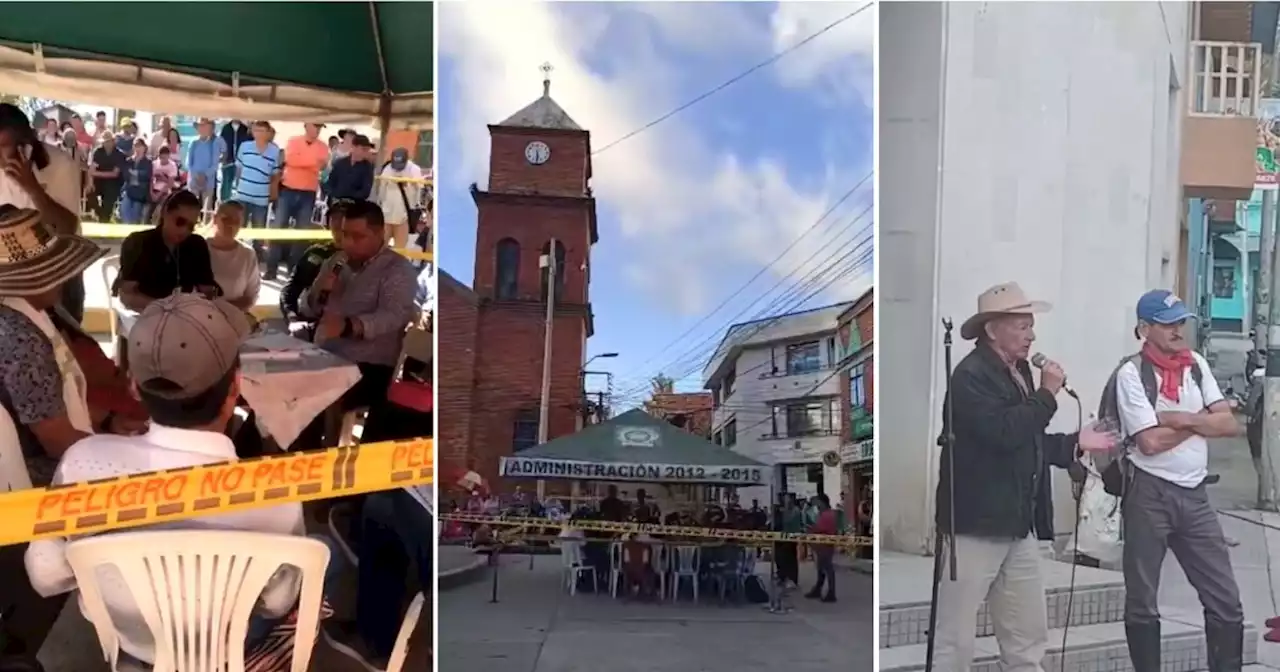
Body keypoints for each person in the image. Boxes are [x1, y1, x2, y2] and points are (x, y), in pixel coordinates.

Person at [23, 293, 343, 665]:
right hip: (224, 650)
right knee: (326, 555)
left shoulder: (83, 463)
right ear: (236, 388)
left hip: (128, 644)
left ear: (133, 386)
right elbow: (276, 602)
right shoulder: (276, 493)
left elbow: (45, 575)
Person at [932, 282, 1118, 672]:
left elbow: (1027, 441)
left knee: (1027, 634)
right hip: (974, 525)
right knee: (954, 636)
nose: (1031, 335)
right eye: (1021, 325)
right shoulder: (971, 376)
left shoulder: (1018, 373)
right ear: (992, 329)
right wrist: (1049, 394)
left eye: (1031, 326)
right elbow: (1004, 432)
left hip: (1018, 523)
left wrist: (1075, 443)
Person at [0, 206, 146, 658]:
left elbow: (56, 401)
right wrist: (125, 454)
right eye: (52, 271)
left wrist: (105, 423)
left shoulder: (32, 318)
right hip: (27, 483)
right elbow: (57, 439)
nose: (62, 280)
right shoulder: (17, 336)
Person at [1115, 290, 1244, 671]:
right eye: (1167, 323)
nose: (1177, 330)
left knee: (1225, 599)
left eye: (1179, 322)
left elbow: (1230, 425)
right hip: (1148, 492)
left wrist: (1179, 418)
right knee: (1142, 599)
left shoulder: (1197, 365)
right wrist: (1202, 418)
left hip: (1195, 494)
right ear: (1144, 328)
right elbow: (1150, 443)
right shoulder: (1131, 374)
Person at [302, 200, 417, 414]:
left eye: (357, 237)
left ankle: (307, 446)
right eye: (345, 234)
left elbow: (394, 316)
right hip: (324, 355)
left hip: (369, 365)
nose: (348, 243)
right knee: (272, 386)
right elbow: (309, 309)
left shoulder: (398, 269)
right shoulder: (337, 261)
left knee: (304, 398)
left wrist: (349, 326)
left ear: (380, 233)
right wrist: (319, 293)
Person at [0, 104, 86, 322]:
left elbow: (67, 228)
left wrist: (33, 188)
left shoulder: (60, 165)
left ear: (26, 145)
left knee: (63, 348)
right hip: (12, 275)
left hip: (58, 275)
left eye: (3, 146)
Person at [115, 190, 220, 312]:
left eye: (191, 226)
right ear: (165, 212)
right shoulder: (138, 242)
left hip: (183, 316)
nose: (184, 231)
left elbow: (207, 290)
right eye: (180, 222)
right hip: (144, 314)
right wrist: (166, 307)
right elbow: (127, 296)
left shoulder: (196, 244)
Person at [268, 123, 329, 281]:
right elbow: (290, 160)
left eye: (320, 127)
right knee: (278, 228)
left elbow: (321, 165)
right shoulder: (293, 141)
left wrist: (302, 160)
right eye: (315, 126)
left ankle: (294, 270)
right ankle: (271, 268)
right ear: (306, 126)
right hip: (288, 189)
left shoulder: (323, 146)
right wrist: (311, 163)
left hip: (308, 192)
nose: (317, 129)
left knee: (302, 233)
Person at [281, 199, 349, 338]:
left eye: (344, 218)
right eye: (334, 218)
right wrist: (292, 318)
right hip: (308, 322)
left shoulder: (365, 260)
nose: (338, 223)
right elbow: (291, 289)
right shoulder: (316, 252)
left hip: (343, 329)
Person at [233, 121, 281, 259]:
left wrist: (272, 194)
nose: (258, 133)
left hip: (261, 197)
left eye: (261, 131)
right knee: (239, 227)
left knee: (258, 229)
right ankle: (236, 255)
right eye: (255, 130)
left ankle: (256, 257)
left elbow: (275, 174)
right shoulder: (244, 146)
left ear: (268, 133)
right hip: (243, 194)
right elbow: (239, 168)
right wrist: (238, 186)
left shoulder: (274, 151)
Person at [206, 201, 260, 311]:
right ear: (215, 219)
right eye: (226, 219)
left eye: (236, 221)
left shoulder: (248, 254)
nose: (231, 225)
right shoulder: (197, 248)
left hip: (234, 321)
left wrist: (225, 310)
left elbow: (251, 296)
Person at [376, 148, 424, 248]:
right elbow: (382, 191)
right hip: (387, 214)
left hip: (404, 215)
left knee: (400, 249)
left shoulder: (414, 169)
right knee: (380, 247)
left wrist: (409, 185)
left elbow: (419, 190)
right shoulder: (387, 169)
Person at [186, 118, 225, 219]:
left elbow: (215, 164)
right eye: (200, 126)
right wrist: (196, 175)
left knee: (207, 210)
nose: (202, 129)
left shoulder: (215, 143)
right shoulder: (193, 142)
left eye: (204, 126)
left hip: (208, 182)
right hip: (194, 181)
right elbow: (188, 163)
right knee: (191, 208)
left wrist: (205, 175)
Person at [805, 494, 839, 602]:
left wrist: (812, 529)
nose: (816, 505)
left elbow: (822, 529)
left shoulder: (828, 515)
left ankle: (831, 592)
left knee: (827, 568)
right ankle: (818, 588)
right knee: (821, 568)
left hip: (825, 545)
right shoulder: (822, 514)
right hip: (820, 545)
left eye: (817, 502)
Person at [325, 134, 375, 203]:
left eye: (367, 150)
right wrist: (333, 194)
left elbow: (365, 191)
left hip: (355, 206)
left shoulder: (367, 167)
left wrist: (349, 197)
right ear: (353, 147)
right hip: (336, 204)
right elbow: (330, 183)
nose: (365, 152)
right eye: (363, 149)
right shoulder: (340, 163)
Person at [88, 133, 124, 222]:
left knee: (108, 203)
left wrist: (96, 173)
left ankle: (104, 218)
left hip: (113, 183)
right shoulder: (98, 152)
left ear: (113, 142)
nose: (107, 144)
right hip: (99, 182)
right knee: (89, 192)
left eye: (109, 142)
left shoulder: (119, 154)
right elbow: (91, 170)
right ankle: (99, 213)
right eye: (105, 142)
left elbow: (114, 174)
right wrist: (90, 183)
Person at [119, 138, 153, 225]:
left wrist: (134, 173)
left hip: (140, 193)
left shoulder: (148, 162)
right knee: (124, 210)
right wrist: (138, 174)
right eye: (135, 146)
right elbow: (126, 175)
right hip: (129, 190)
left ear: (144, 148)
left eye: (140, 146)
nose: (137, 148)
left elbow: (146, 175)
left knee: (135, 215)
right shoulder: (128, 161)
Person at [219, 119, 252, 204]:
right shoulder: (226, 128)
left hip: (242, 162)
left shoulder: (245, 129)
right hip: (228, 161)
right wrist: (223, 157)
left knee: (240, 184)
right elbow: (221, 144)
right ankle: (224, 204)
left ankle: (239, 204)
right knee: (226, 184)